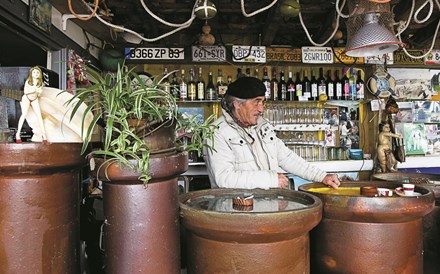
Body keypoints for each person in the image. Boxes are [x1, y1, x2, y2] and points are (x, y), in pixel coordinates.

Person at [203, 77, 340, 190]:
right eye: (257, 102)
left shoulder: (263, 126)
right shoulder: (217, 132)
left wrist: (322, 176)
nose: (262, 109)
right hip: (236, 213)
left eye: (263, 102)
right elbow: (224, 178)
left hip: (267, 207)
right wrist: (271, 179)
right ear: (237, 104)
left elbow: (286, 157)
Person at [16, 66, 47, 143]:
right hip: (26, 98)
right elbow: (26, 92)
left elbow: (39, 95)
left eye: (37, 72)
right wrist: (35, 90)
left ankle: (44, 135)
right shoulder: (28, 81)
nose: (36, 74)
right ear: (31, 73)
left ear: (40, 74)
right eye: (34, 72)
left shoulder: (40, 83)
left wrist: (39, 92)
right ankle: (18, 134)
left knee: (39, 116)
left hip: (34, 99)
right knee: (24, 114)